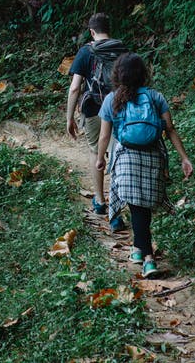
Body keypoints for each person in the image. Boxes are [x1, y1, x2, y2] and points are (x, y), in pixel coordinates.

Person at [96, 52, 193, 278]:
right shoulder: (155, 97)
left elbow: (103, 136)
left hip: (127, 155)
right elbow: (170, 129)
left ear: (118, 75)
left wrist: (100, 158)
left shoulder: (112, 99)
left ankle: (148, 258)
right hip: (152, 155)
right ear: (143, 74)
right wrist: (184, 158)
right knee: (144, 204)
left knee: (136, 204)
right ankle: (139, 249)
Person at [66, 12, 127, 230]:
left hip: (93, 109)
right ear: (109, 29)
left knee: (96, 152)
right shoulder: (123, 50)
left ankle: (100, 202)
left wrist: (69, 117)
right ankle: (116, 211)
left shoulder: (87, 51)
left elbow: (75, 87)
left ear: (92, 31)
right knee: (117, 156)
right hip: (119, 108)